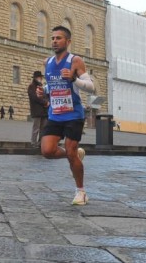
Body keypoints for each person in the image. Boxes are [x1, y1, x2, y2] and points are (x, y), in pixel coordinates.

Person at [37, 25, 95, 206]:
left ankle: (81, 191)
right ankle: (75, 154)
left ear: (68, 41)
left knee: (70, 152)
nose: (54, 41)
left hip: (73, 114)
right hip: (55, 113)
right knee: (47, 151)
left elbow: (91, 87)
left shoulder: (75, 61)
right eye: (53, 38)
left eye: (59, 38)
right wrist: (44, 91)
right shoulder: (47, 62)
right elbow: (53, 84)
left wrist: (74, 79)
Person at [28, 71, 49, 147]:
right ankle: (33, 142)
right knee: (36, 128)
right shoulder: (31, 86)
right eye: (39, 77)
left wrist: (47, 101)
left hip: (43, 111)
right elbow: (34, 98)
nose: (40, 78)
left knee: (43, 128)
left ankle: (40, 143)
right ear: (36, 78)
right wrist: (44, 102)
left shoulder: (41, 86)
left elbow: (44, 96)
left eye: (41, 77)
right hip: (37, 110)